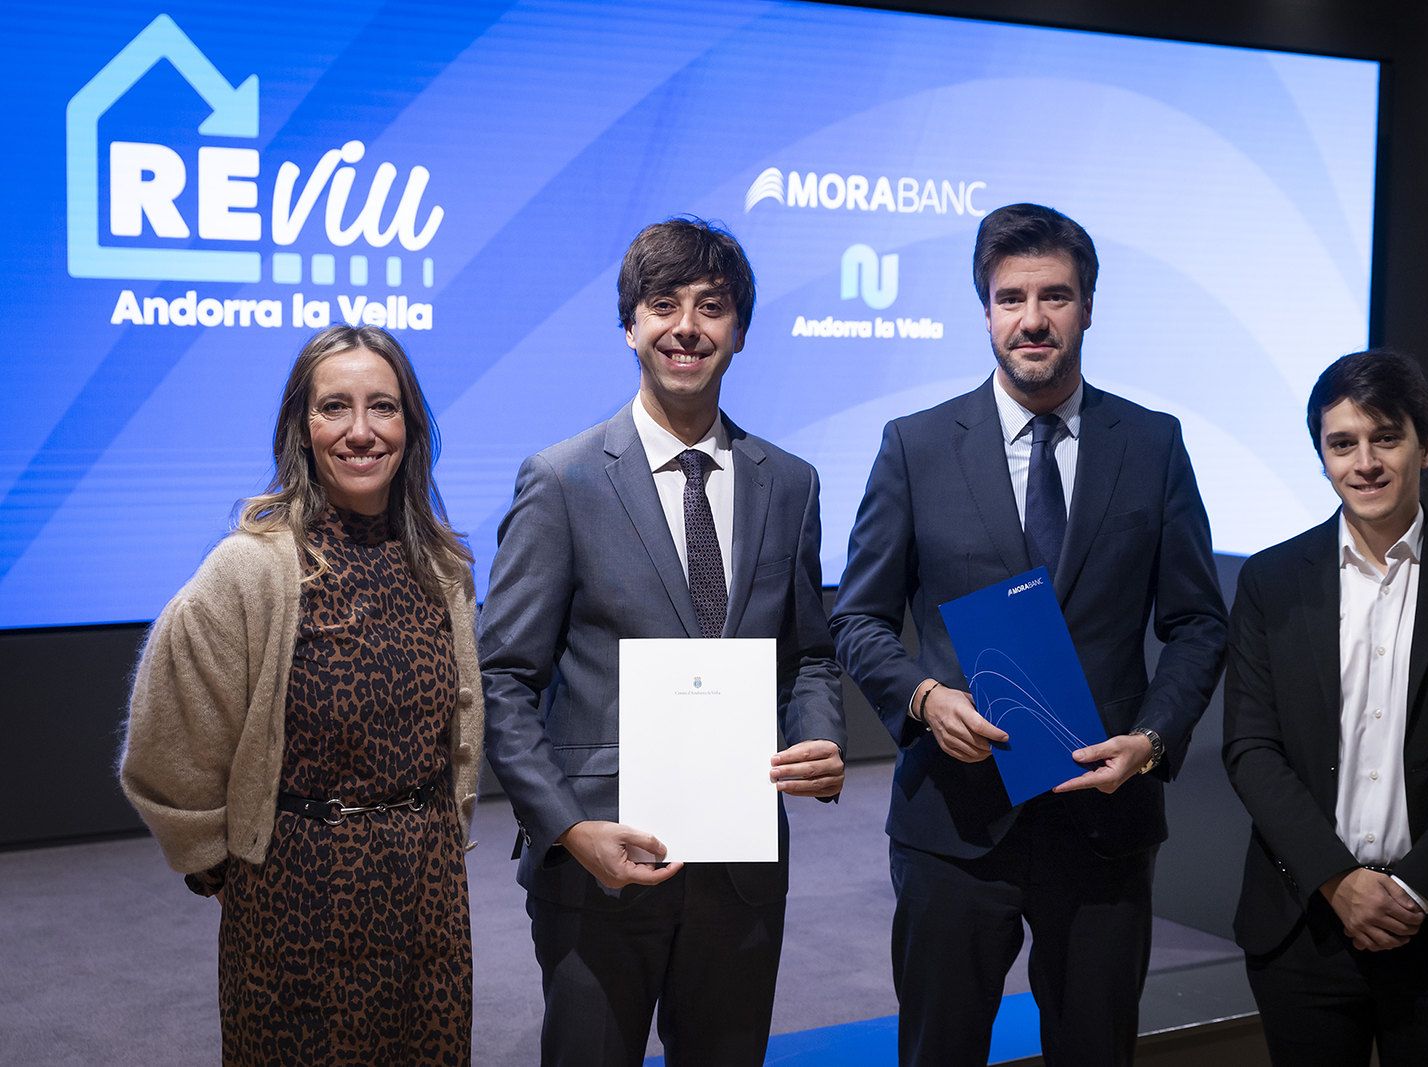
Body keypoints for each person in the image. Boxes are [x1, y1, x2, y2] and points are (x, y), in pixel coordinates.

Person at [830, 202, 1228, 1065]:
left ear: (1087, 307)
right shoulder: (916, 446)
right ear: (986, 311)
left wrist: (1153, 740)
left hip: (1105, 817)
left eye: (1055, 296)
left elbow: (1198, 623)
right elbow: (858, 617)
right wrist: (924, 698)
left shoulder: (1152, 445)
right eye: (1012, 298)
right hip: (954, 821)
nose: (1033, 319)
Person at [477, 217, 846, 1066]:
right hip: (599, 862)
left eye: (712, 306)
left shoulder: (789, 483)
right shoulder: (562, 479)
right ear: (630, 326)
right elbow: (502, 677)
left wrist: (821, 736)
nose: (687, 326)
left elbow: (810, 654)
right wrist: (567, 828)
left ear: (739, 331)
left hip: (741, 868)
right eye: (663, 304)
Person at [120, 325, 482, 1065]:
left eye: (383, 407)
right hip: (293, 905)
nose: (361, 431)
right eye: (334, 407)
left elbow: (456, 735)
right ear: (301, 427)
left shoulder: (442, 569)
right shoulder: (248, 569)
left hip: (428, 899)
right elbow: (170, 739)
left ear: (410, 427)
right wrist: (217, 870)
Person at [1223, 349, 1428, 1065]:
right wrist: (1338, 881)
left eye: (1386, 438)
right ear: (1323, 457)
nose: (1364, 463)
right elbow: (1250, 748)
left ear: (1424, 447)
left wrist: (1413, 890)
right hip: (1304, 924)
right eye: (1342, 444)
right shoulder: (1270, 581)